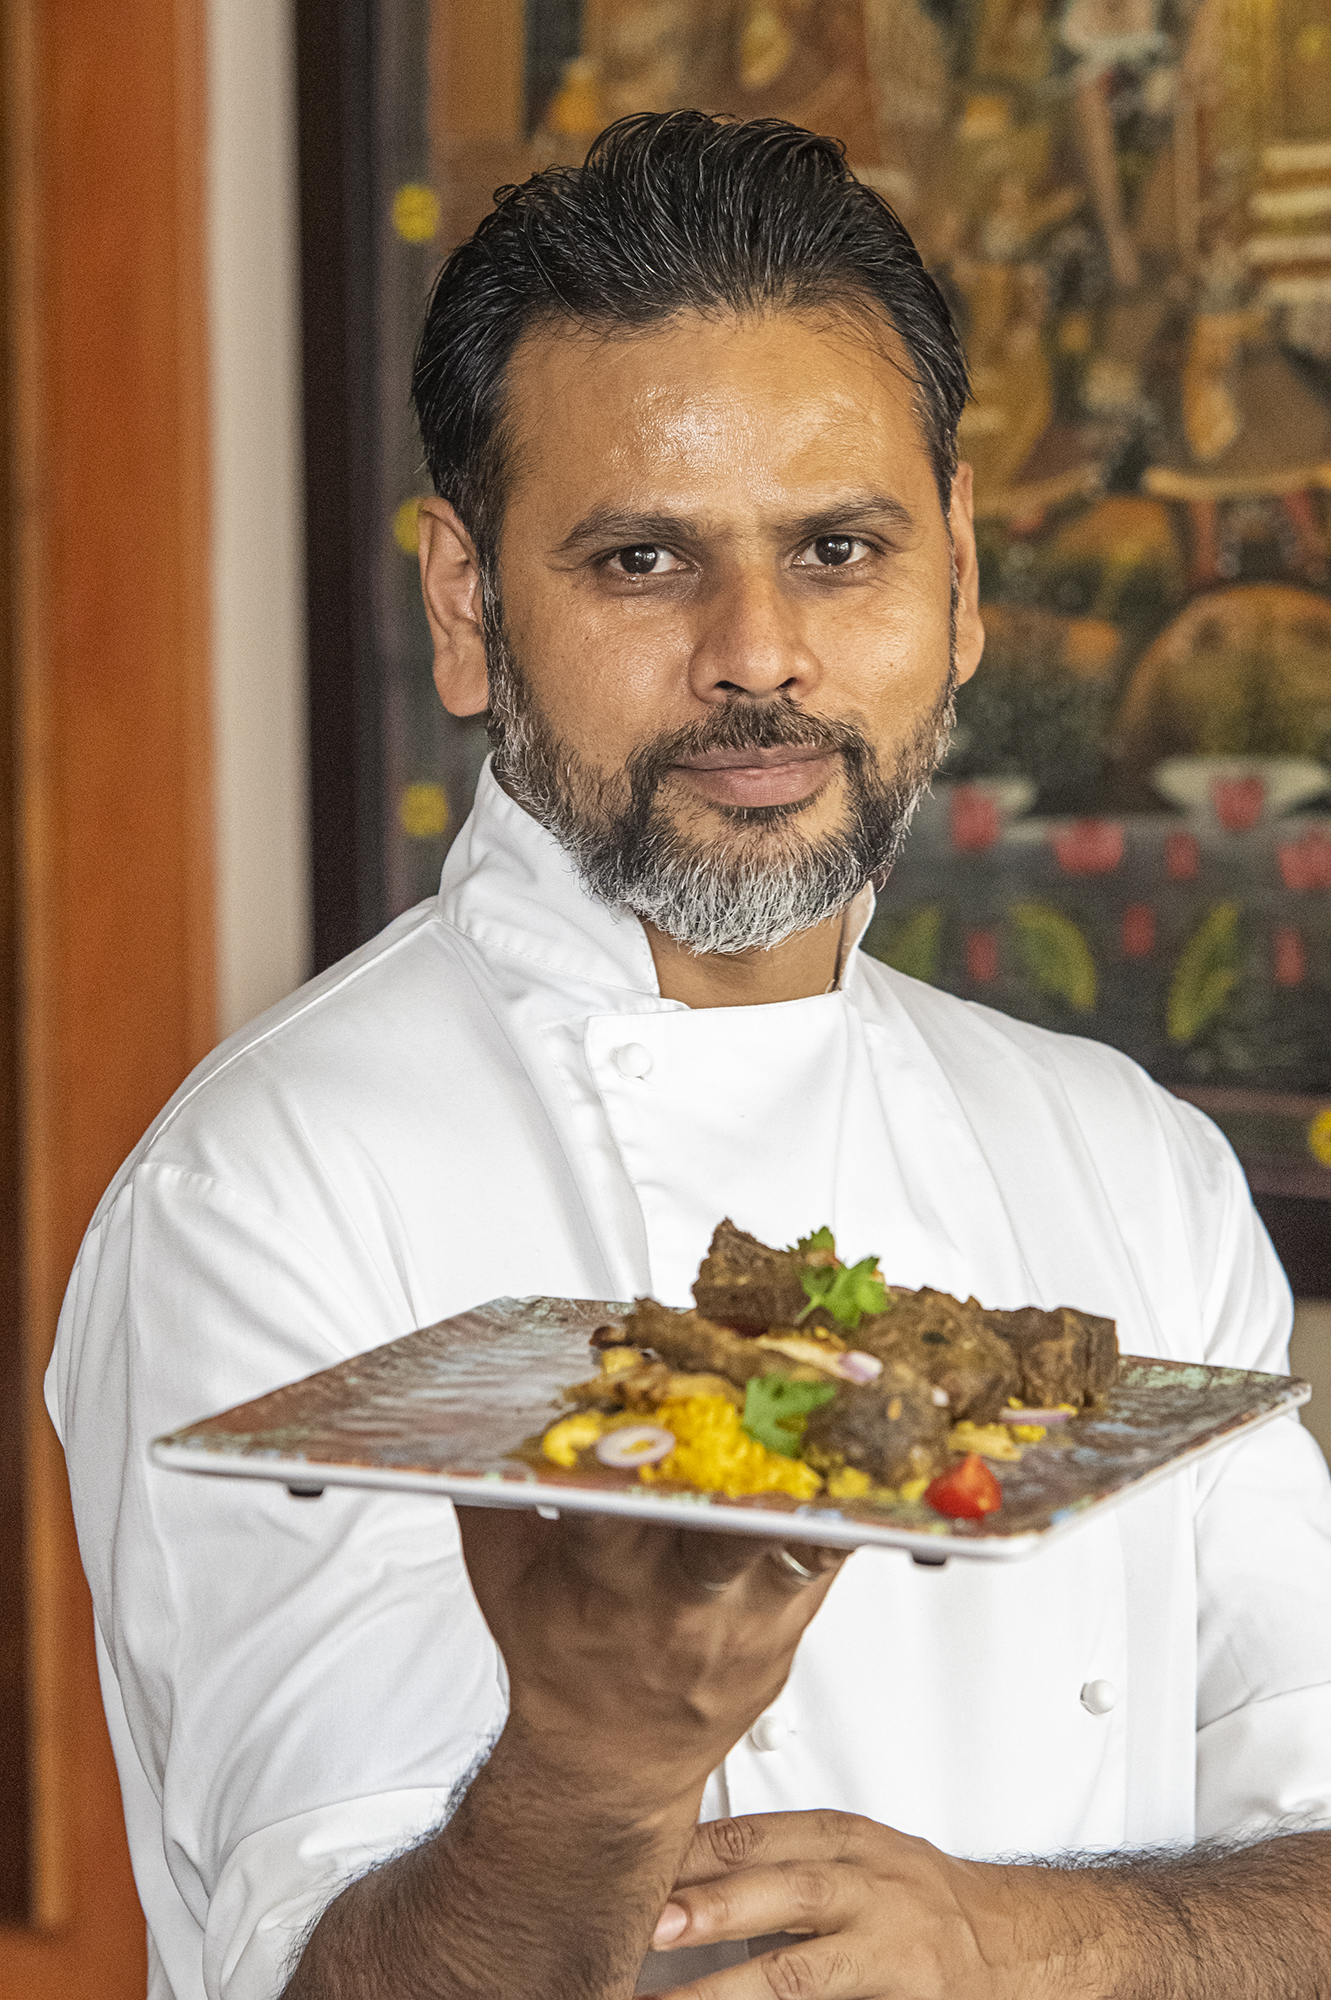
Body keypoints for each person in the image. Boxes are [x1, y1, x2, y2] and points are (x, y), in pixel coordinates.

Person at [49, 112, 1331, 2000]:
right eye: (644, 560)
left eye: (838, 548)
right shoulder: (269, 1191)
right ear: (470, 607)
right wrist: (592, 1764)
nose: (760, 655)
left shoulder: (1125, 1160)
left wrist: (1014, 1940)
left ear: (959, 585)